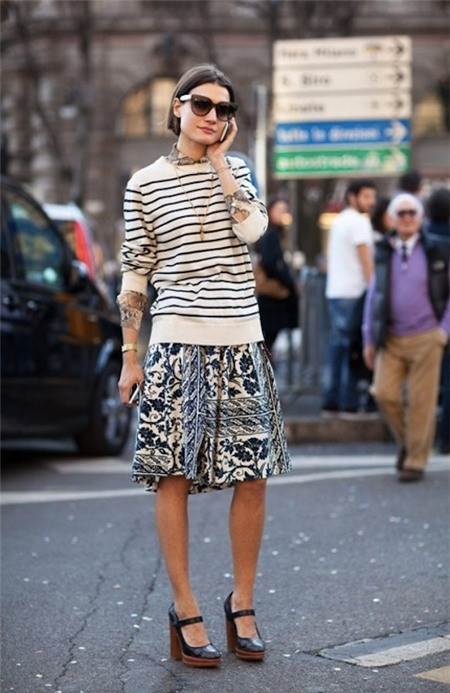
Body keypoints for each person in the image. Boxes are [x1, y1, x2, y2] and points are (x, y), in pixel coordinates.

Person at [116, 64, 291, 668]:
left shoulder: (237, 171)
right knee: (173, 475)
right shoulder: (144, 183)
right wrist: (130, 353)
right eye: (201, 104)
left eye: (223, 108)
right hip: (175, 341)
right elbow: (135, 272)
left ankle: (242, 602)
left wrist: (220, 165)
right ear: (177, 107)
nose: (212, 116)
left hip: (241, 339)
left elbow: (255, 231)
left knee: (253, 475)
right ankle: (185, 607)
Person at [363, 193, 450, 481]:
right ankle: (410, 444)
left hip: (428, 336)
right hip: (391, 337)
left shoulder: (438, 249)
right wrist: (369, 337)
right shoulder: (383, 250)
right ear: (391, 219)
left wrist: (444, 330)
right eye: (401, 213)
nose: (408, 217)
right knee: (384, 394)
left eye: (413, 212)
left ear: (421, 217)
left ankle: (415, 461)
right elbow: (374, 294)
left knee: (421, 401)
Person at [322, 179, 376, 416]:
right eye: (366, 196)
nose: (371, 201)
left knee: (337, 348)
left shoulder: (340, 220)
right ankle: (348, 401)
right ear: (352, 197)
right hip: (354, 292)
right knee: (352, 350)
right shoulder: (359, 222)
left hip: (335, 291)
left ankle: (331, 399)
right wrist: (374, 290)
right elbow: (366, 261)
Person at [254, 197, 299, 353]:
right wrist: (287, 281)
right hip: (272, 294)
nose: (282, 214)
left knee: (269, 337)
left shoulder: (275, 234)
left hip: (271, 294)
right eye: (279, 210)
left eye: (284, 210)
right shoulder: (271, 235)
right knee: (269, 336)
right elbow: (270, 262)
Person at [424, 187, 450, 453]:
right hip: (445, 318)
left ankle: (421, 438)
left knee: (424, 382)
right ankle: (445, 438)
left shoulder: (422, 239)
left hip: (424, 318)